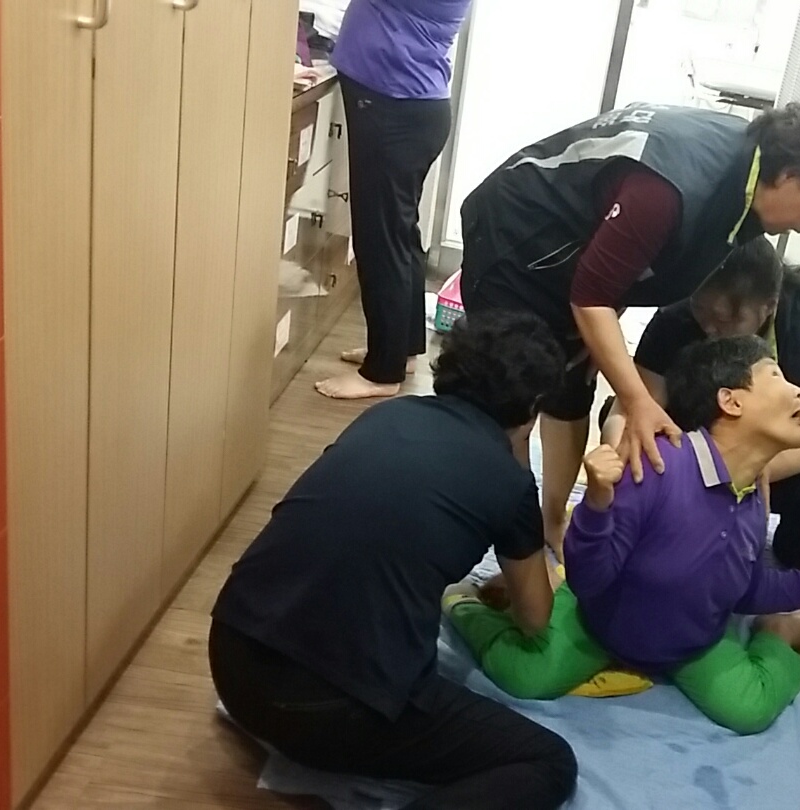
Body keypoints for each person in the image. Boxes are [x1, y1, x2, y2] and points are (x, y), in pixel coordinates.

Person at [458, 96, 800, 557]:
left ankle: (552, 522)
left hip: (579, 260)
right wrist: (635, 401)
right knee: (514, 405)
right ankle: (512, 539)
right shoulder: (672, 189)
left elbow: (623, 270)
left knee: (572, 386)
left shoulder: (747, 190)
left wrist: (599, 337)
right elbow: (593, 296)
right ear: (792, 176)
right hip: (519, 243)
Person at [210, 311, 577, 810]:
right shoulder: (511, 483)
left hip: (232, 655)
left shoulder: (387, 414)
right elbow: (535, 617)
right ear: (532, 410)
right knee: (548, 761)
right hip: (326, 708)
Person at [445, 336, 800, 735]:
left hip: (693, 642)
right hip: (600, 627)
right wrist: (596, 504)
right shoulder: (656, 466)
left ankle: (778, 633)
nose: (799, 392)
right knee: (525, 676)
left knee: (749, 710)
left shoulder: (754, 493)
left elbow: (741, 586)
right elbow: (588, 579)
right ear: (731, 401)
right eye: (776, 375)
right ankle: (464, 604)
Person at [603, 238, 800, 569]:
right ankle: (657, 530)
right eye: (702, 311)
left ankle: (786, 559)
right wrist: (623, 457)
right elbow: (634, 409)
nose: (710, 328)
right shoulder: (677, 315)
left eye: (727, 319)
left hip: (769, 460)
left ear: (768, 307)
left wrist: (751, 469)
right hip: (689, 455)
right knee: (628, 438)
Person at [316, 0, 472, 399]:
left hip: (394, 107)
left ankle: (382, 372)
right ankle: (400, 350)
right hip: (405, 105)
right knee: (398, 236)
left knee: (381, 240)